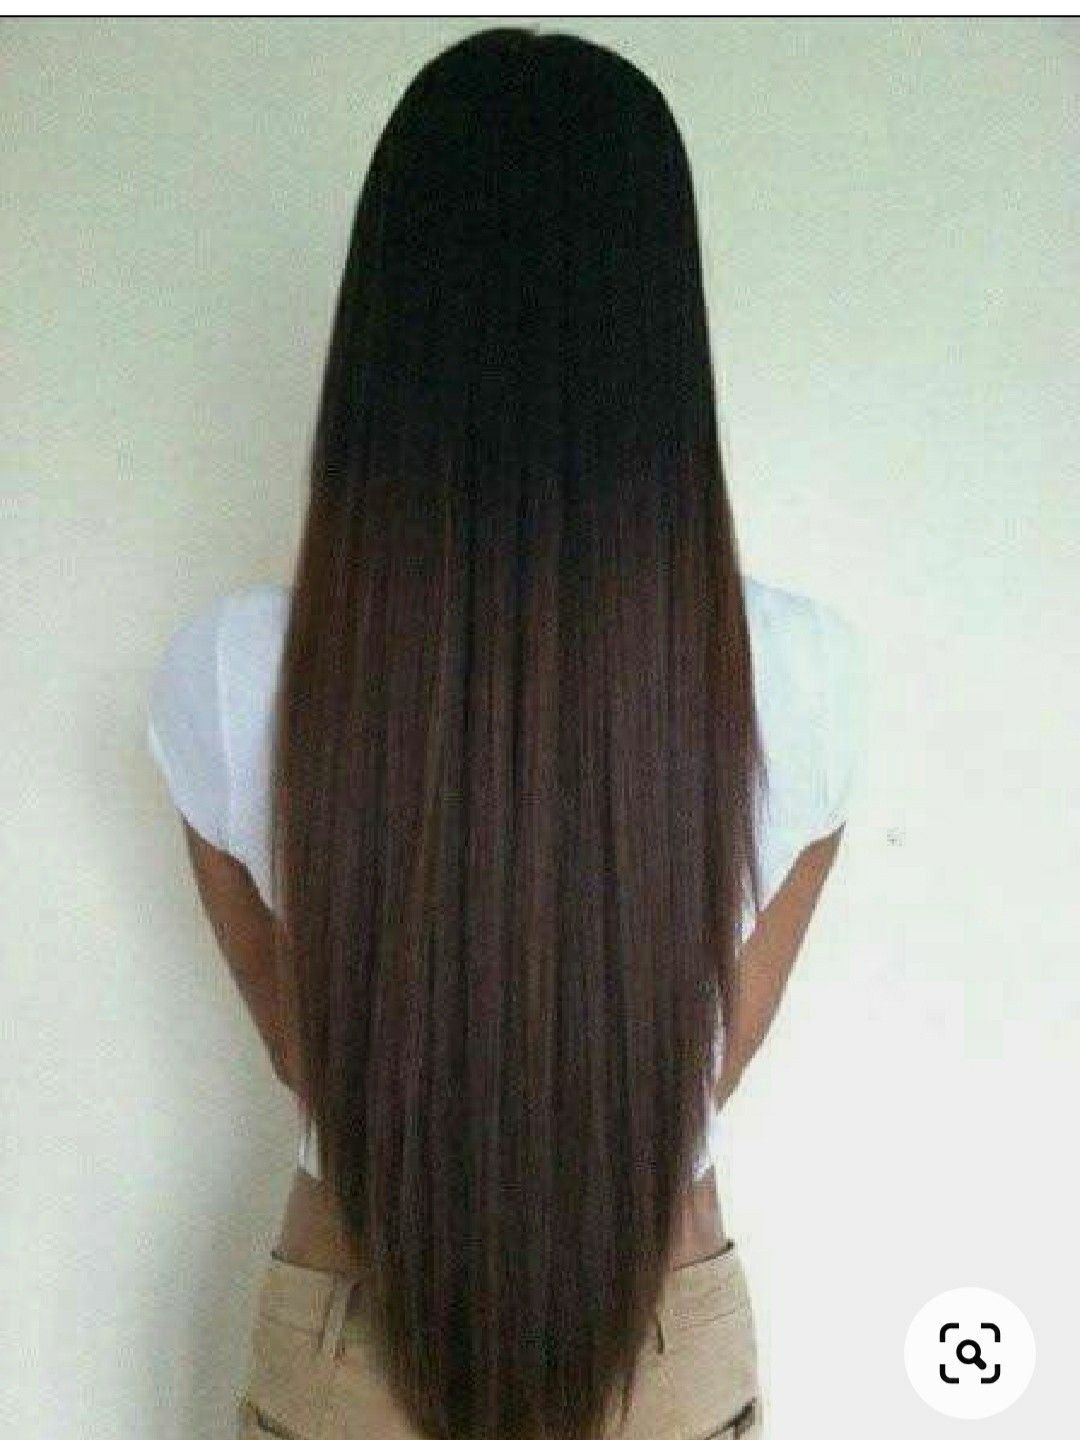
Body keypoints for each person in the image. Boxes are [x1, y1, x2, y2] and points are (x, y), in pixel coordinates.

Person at [147, 26, 866, 1440]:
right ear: (660, 331)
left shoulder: (229, 672)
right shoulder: (804, 673)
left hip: (346, 1351)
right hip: (658, 1352)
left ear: (386, 320)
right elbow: (705, 1064)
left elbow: (312, 1055)